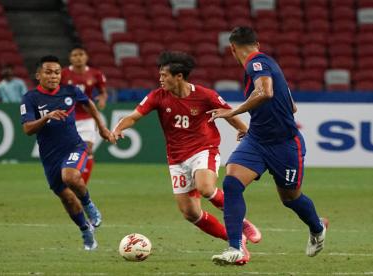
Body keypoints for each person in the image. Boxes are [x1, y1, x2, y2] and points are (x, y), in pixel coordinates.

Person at [112, 51, 262, 264]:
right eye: (160, 75)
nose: (160, 79)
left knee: (205, 187)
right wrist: (119, 127)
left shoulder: (205, 95)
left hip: (204, 149)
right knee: (191, 213)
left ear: (179, 76)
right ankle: (236, 239)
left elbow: (227, 112)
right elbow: (134, 116)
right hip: (176, 158)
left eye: (165, 75)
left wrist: (244, 130)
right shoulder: (157, 96)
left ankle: (241, 224)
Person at [209, 26, 328, 266]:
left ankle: (317, 228)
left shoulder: (256, 64)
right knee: (231, 183)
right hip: (257, 140)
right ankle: (235, 248)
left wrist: (232, 111)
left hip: (284, 145)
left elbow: (265, 92)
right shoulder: (269, 63)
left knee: (290, 198)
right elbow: (291, 106)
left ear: (232, 49)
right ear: (257, 44)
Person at [20, 55, 115, 250]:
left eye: (57, 72)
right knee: (68, 198)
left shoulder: (70, 91)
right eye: (48, 72)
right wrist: (46, 117)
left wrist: (102, 128)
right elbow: (28, 129)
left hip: (74, 147)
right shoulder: (30, 98)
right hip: (50, 157)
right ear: (38, 75)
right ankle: (85, 230)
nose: (53, 76)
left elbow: (89, 104)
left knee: (70, 176)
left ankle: (90, 206)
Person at [61, 46, 108, 186]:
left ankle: (82, 185)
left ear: (86, 57)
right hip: (67, 118)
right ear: (70, 58)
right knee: (68, 152)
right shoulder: (63, 74)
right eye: (75, 55)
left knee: (87, 149)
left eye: (81, 54)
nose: (78, 57)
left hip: (87, 118)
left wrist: (102, 98)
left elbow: (103, 91)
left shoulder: (95, 74)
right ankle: (68, 179)